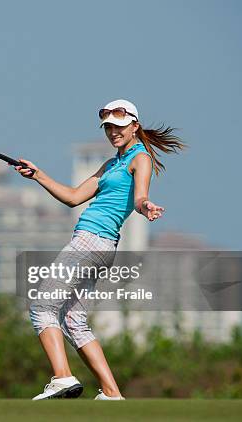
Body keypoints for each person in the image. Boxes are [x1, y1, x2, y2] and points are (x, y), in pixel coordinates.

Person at [14, 99, 185, 400]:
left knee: (42, 307)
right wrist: (38, 174)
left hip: (91, 241)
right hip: (99, 246)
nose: (113, 132)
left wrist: (147, 208)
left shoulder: (139, 158)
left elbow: (140, 196)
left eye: (119, 127)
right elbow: (73, 196)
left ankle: (62, 377)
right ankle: (112, 392)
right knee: (73, 320)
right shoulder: (111, 164)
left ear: (134, 125)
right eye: (108, 127)